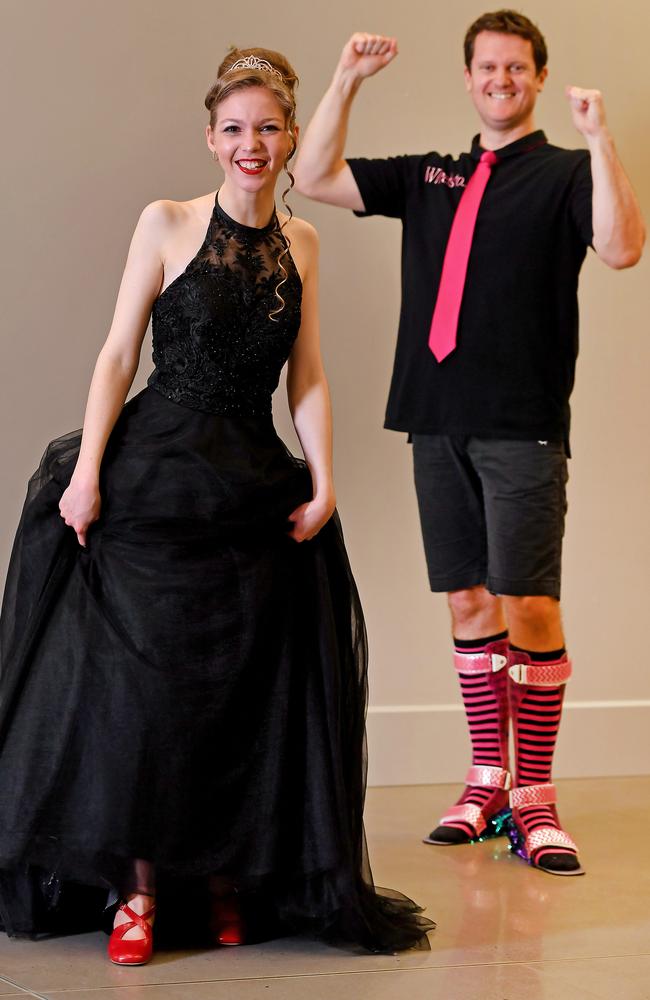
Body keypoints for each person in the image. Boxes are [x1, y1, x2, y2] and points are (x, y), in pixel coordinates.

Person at [0, 47, 434, 963]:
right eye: (234, 129)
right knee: (143, 692)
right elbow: (118, 354)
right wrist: (88, 474)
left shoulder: (304, 242)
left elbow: (306, 375)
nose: (253, 144)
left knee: (243, 688)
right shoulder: (165, 222)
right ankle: (139, 892)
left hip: (249, 473)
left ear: (288, 139)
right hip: (158, 467)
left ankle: (230, 879)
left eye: (269, 128)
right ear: (210, 138)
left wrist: (324, 480)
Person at [293, 11, 644, 876]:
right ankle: (486, 780)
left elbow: (624, 249)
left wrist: (599, 139)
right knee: (467, 606)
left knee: (529, 607)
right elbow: (314, 174)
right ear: (469, 77)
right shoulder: (430, 174)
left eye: (516, 68)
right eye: (487, 67)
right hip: (433, 416)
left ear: (536, 77)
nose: (500, 80)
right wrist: (346, 79)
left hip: (521, 422)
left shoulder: (565, 174)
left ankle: (535, 795)